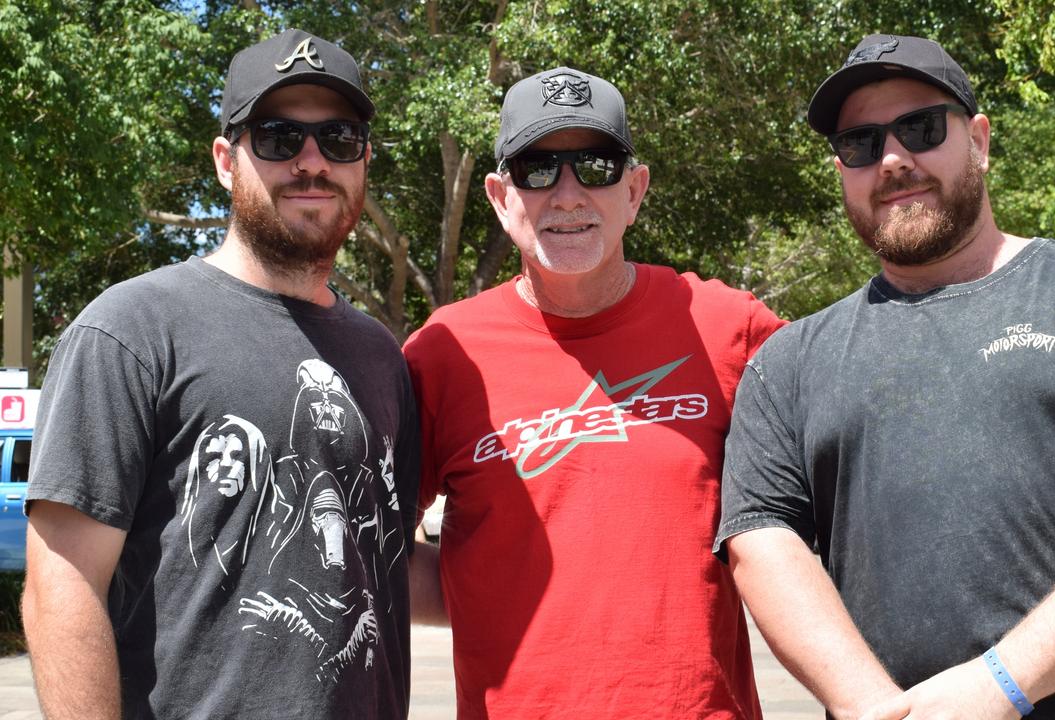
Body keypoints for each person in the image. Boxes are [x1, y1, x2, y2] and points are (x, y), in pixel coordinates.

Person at [715, 34, 1055, 720]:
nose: (895, 160)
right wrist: (875, 708)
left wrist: (1000, 685)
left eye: (921, 128)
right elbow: (763, 542)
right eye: (861, 144)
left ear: (981, 140)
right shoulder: (788, 365)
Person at [22, 29, 435, 719]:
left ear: (363, 160)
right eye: (277, 138)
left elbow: (394, 561)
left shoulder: (379, 355)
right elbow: (62, 586)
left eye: (338, 139)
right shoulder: (130, 330)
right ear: (225, 159)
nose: (312, 162)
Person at [402, 66, 784, 718]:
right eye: (537, 169)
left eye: (597, 166)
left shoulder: (729, 328)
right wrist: (492, 583)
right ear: (499, 196)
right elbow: (368, 553)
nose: (568, 195)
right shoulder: (444, 355)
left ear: (635, 191)